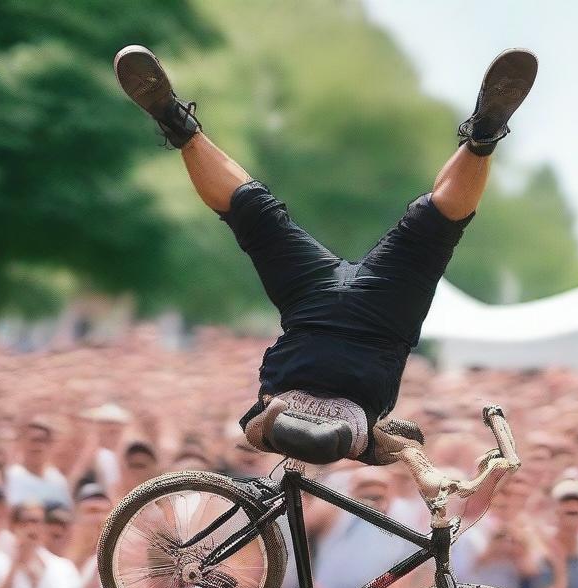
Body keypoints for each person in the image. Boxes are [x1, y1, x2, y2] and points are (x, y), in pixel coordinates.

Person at [113, 44, 537, 463]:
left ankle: (482, 137)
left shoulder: (318, 431)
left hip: (334, 310)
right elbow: (397, 448)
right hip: (361, 315)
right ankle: (481, 137)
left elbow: (260, 433)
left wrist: (413, 460)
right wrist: (416, 462)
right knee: (268, 215)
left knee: (426, 223)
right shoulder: (355, 439)